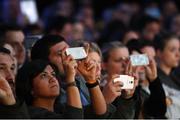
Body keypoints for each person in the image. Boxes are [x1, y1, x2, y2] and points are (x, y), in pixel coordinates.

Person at [31, 35, 108, 118]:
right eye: (61, 54)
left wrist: (91, 80)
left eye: (69, 52)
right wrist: (70, 78)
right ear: (45, 62)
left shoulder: (79, 81)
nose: (69, 57)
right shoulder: (52, 90)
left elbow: (99, 114)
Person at [16, 59, 83, 118]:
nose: (53, 79)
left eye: (53, 74)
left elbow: (90, 114)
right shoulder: (33, 115)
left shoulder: (59, 108)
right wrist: (70, 79)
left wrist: (91, 81)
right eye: (44, 75)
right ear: (30, 88)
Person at [154, 33, 180, 118]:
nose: (178, 55)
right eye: (172, 50)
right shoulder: (153, 78)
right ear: (159, 53)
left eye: (179, 50)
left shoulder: (176, 80)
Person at [0, 47, 29, 118]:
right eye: (1, 68)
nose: (10, 76)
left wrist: (11, 104)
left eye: (12, 68)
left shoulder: (19, 102)